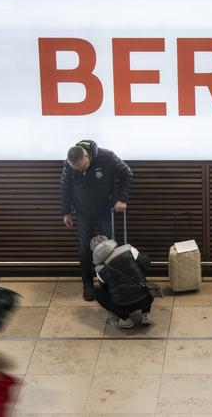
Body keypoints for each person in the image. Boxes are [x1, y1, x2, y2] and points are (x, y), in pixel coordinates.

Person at [60, 139, 134, 301]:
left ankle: (112, 281)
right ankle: (87, 282)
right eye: (76, 169)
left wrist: (122, 199)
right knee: (85, 248)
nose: (80, 171)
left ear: (87, 156)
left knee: (111, 246)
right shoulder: (69, 163)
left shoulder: (107, 157)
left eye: (82, 167)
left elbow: (127, 174)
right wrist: (66, 212)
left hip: (106, 210)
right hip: (82, 211)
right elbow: (66, 187)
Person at [91, 235, 157, 329]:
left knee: (97, 291)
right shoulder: (128, 249)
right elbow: (146, 264)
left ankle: (126, 320)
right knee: (142, 280)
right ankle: (145, 315)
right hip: (146, 298)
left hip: (122, 306)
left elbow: (105, 288)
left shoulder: (99, 269)